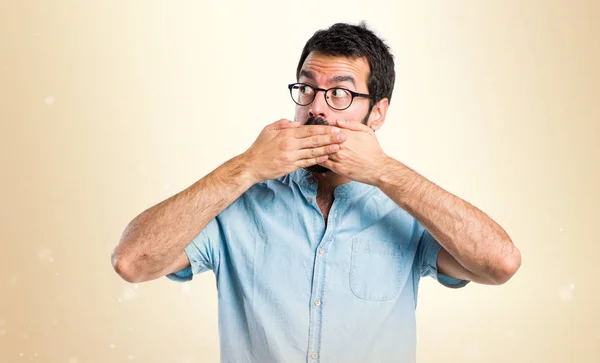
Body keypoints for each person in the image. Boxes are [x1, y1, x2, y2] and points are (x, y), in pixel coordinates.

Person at [112, 22, 521, 363]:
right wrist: (246, 167)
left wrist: (384, 171)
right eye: (307, 89)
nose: (316, 109)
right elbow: (132, 262)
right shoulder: (238, 203)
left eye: (339, 93)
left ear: (376, 112)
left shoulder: (406, 211)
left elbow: (500, 263)